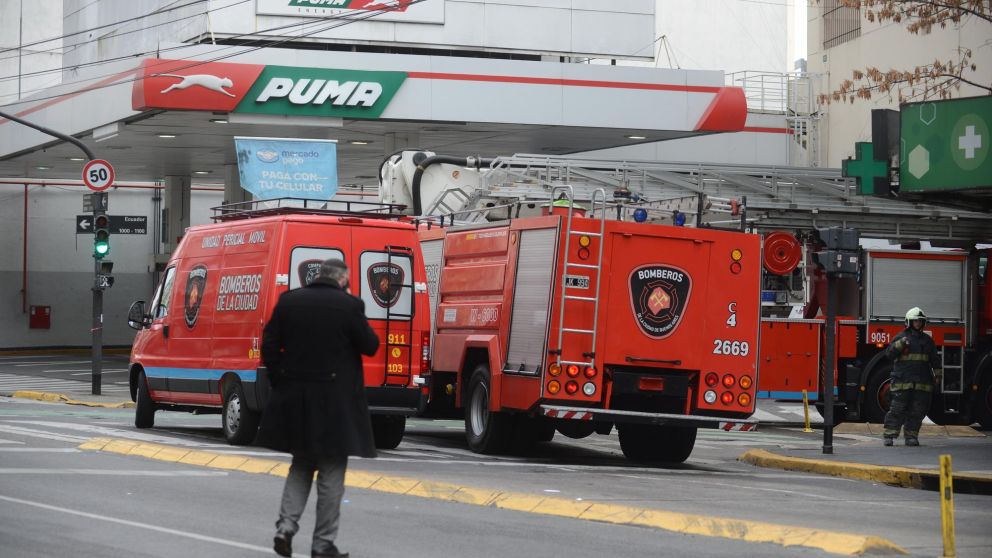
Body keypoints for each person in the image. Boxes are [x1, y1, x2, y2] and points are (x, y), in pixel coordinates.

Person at [257, 258, 379, 558]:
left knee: (300, 466)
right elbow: (370, 345)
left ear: (318, 276)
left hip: (296, 401)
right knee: (331, 475)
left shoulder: (289, 302)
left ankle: (285, 528)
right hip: (336, 404)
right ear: (342, 279)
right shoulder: (350, 306)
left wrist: (281, 380)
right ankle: (323, 544)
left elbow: (269, 345)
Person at [881, 307, 942, 447]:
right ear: (909, 322)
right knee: (897, 409)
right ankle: (889, 435)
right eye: (915, 321)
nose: (918, 324)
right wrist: (899, 345)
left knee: (917, 411)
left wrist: (938, 375)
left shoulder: (927, 341)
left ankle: (911, 436)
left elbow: (934, 359)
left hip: (922, 382)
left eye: (920, 321)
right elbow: (889, 354)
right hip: (903, 381)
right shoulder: (901, 338)